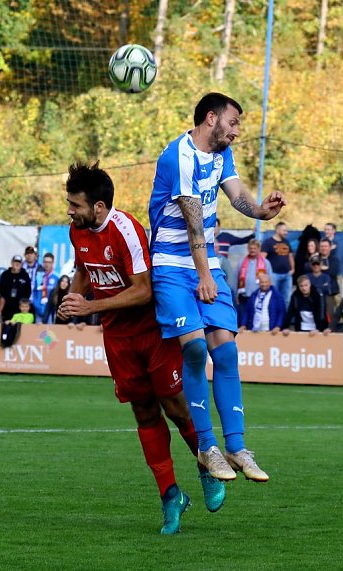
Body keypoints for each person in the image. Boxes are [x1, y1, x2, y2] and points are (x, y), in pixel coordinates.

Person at [60, 161, 226, 534]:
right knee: (144, 413)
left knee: (176, 407)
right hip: (117, 339)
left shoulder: (127, 230)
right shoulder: (77, 231)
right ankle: (171, 496)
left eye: (75, 204)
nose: (70, 210)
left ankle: (207, 466)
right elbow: (86, 269)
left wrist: (90, 306)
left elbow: (143, 290)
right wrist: (74, 296)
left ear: (99, 207)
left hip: (152, 332)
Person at [149, 92, 284, 484]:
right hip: (174, 267)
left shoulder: (220, 153)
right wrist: (205, 275)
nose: (237, 131)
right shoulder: (180, 156)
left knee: (225, 351)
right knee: (194, 349)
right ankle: (207, 447)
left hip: (204, 263)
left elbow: (237, 194)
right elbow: (193, 225)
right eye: (234, 122)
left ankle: (237, 447)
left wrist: (260, 210)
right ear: (212, 119)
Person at [235, 239, 272, 325]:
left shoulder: (266, 263)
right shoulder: (241, 262)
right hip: (244, 296)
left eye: (255, 248)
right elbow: (235, 279)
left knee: (256, 321)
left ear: (259, 249)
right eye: (250, 248)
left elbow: (270, 279)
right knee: (243, 320)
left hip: (259, 297)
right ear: (248, 249)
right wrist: (236, 294)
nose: (252, 250)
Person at [261, 222, 294, 305]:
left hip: (287, 274)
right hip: (273, 275)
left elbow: (290, 256)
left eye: (287, 230)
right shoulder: (268, 242)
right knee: (273, 297)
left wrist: (293, 269)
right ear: (277, 230)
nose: (286, 232)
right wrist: (265, 274)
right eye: (284, 230)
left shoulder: (286, 242)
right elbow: (262, 258)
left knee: (286, 299)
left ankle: (284, 317)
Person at [0, 255, 32, 321]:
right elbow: (1, 292)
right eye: (15, 262)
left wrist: (23, 306)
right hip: (6, 309)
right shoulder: (5, 275)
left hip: (20, 310)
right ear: (11, 262)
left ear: (21, 264)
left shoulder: (25, 275)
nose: (17, 264)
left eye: (19, 262)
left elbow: (28, 292)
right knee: (6, 328)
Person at [33, 253, 58, 322]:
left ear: (52, 263)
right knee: (38, 332)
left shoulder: (57, 277)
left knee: (50, 332)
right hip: (38, 311)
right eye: (45, 262)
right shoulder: (38, 277)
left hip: (50, 311)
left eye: (49, 262)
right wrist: (36, 305)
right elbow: (34, 292)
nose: (47, 264)